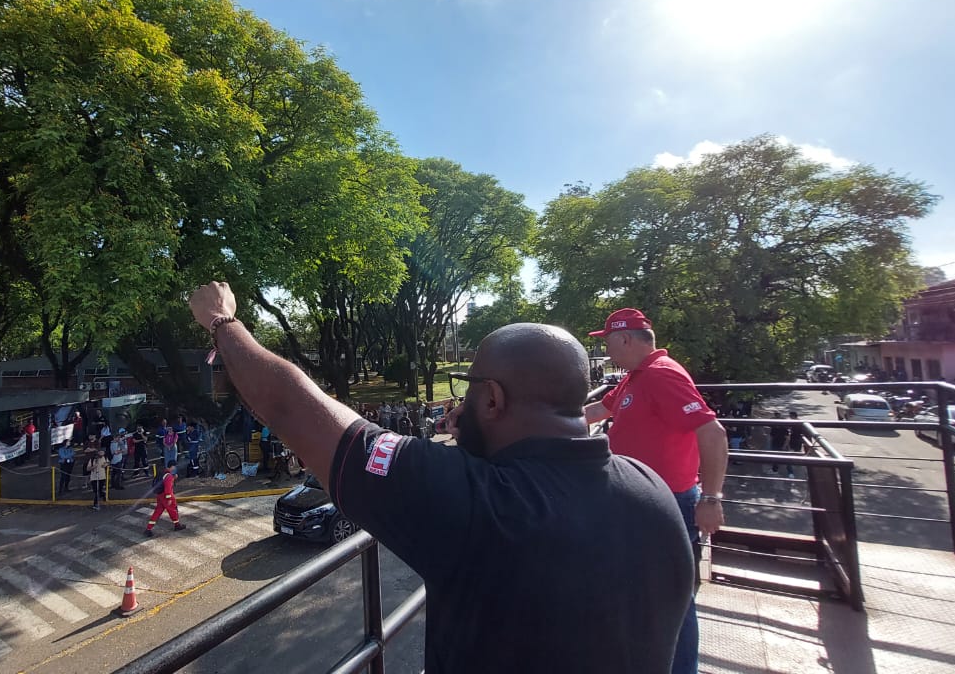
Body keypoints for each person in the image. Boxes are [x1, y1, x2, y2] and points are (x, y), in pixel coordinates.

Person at [189, 282, 693, 672]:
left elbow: (292, 407)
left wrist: (222, 322)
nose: (459, 407)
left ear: (493, 399)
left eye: (468, 391)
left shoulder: (479, 504)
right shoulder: (650, 488)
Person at [582, 308, 728, 674]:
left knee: (673, 601)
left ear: (625, 339)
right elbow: (598, 409)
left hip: (668, 504)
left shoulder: (662, 374)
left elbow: (712, 432)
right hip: (642, 503)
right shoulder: (636, 377)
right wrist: (544, 418)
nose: (606, 351)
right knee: (646, 594)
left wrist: (711, 498)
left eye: (608, 342)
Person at [144, 460, 185, 537]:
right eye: (174, 466)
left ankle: (148, 529)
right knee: (173, 510)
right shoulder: (169, 476)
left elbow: (163, 481)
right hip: (166, 496)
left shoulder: (163, 472)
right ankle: (177, 525)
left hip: (160, 495)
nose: (175, 468)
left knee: (157, 512)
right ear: (172, 466)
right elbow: (168, 488)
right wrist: (169, 498)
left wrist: (173, 478)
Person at [769, 411, 804, 477]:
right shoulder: (776, 428)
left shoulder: (782, 428)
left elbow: (787, 438)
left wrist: (784, 446)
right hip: (777, 444)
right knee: (777, 458)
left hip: (781, 444)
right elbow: (772, 436)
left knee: (785, 459)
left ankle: (789, 472)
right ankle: (777, 470)